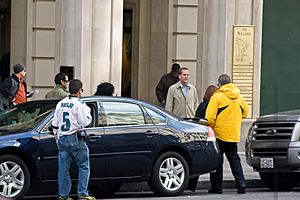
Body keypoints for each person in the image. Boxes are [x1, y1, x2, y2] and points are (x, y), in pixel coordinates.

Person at [51, 79, 95, 200]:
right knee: (83, 166)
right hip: (75, 138)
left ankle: (63, 195)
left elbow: (54, 124)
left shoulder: (61, 103)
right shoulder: (80, 104)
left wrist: (57, 138)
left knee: (63, 169)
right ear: (80, 91)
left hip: (62, 138)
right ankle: (82, 193)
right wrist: (88, 112)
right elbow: (85, 122)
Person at [205, 74, 248, 194]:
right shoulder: (239, 96)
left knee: (218, 161)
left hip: (219, 133)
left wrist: (210, 128)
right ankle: (241, 183)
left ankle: (217, 187)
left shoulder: (217, 96)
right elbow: (245, 112)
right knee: (234, 159)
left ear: (219, 84)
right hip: (233, 133)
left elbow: (210, 117)